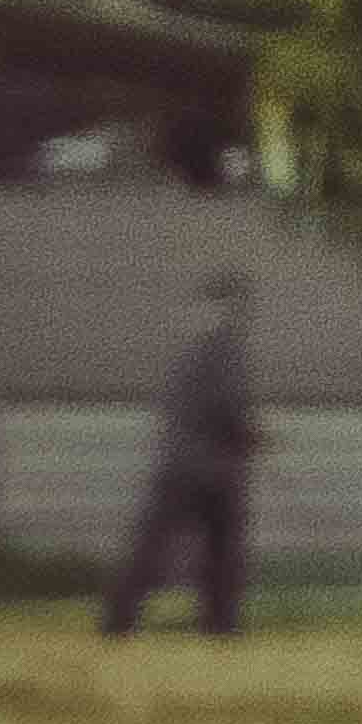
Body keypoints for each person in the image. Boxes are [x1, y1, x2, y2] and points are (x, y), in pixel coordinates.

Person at [98, 269, 253, 638]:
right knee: (221, 550)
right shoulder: (225, 350)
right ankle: (220, 625)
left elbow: (179, 407)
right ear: (233, 307)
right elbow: (227, 406)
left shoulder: (187, 352)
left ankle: (118, 620)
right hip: (212, 470)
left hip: (175, 463)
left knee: (152, 546)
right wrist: (249, 436)